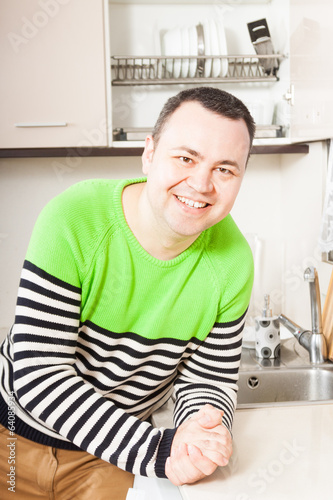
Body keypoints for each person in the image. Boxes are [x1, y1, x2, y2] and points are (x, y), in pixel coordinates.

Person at [0, 86, 255, 499]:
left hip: (108, 456)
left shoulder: (233, 261)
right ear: (150, 153)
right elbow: (38, 374)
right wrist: (161, 450)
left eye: (225, 169)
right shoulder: (74, 218)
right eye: (186, 158)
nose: (202, 184)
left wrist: (203, 433)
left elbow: (209, 381)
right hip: (12, 434)